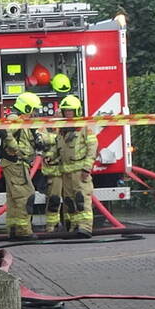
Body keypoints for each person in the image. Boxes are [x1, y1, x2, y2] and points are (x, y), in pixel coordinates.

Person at [0, 92, 42, 240]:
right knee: (26, 195)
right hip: (16, 163)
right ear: (27, 107)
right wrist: (16, 149)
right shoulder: (14, 119)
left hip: (14, 164)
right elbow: (3, 131)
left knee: (14, 198)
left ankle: (14, 229)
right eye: (33, 110)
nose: (34, 114)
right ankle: (24, 231)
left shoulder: (20, 121)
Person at [56, 94, 97, 237]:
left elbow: (92, 147)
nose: (68, 113)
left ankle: (85, 227)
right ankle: (74, 227)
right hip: (66, 172)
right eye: (65, 111)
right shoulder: (62, 129)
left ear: (77, 111)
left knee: (82, 199)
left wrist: (87, 167)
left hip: (80, 171)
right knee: (69, 202)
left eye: (70, 111)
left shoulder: (84, 127)